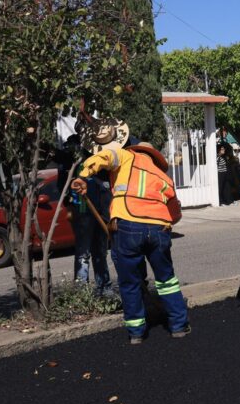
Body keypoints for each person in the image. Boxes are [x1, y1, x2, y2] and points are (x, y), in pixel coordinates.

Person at [72, 129, 187, 344]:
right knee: (167, 280)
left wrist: (83, 176)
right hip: (159, 230)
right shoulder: (164, 177)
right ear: (155, 158)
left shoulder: (126, 156)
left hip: (128, 225)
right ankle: (179, 326)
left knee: (130, 282)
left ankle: (136, 333)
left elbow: (104, 156)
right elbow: (175, 215)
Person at [59, 134, 112, 294]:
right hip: (83, 212)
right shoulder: (72, 162)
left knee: (100, 253)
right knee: (84, 253)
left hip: (101, 213)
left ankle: (104, 290)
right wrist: (71, 204)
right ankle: (83, 294)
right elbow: (62, 186)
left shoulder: (98, 159)